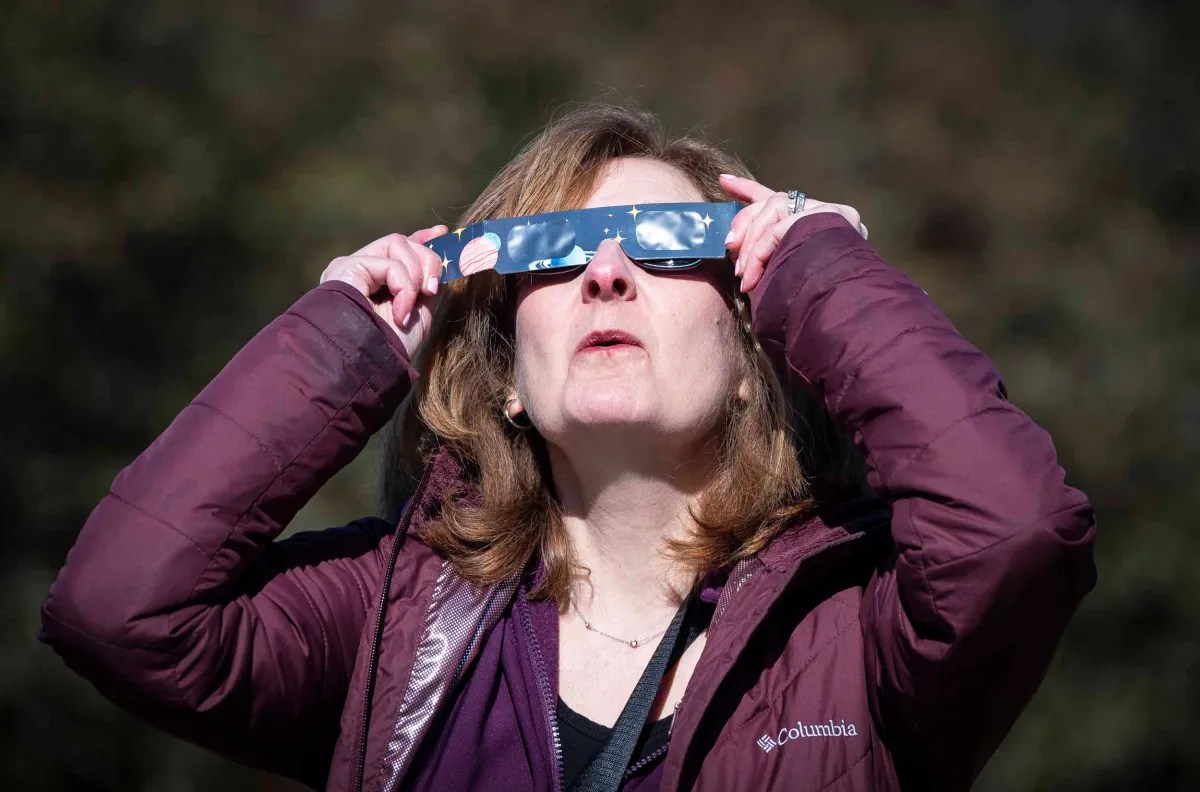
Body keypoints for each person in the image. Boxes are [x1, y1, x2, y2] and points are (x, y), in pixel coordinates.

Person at [38, 104, 1097, 792]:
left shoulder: (861, 625)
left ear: (748, 351)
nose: (603, 273)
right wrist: (337, 348)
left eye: (664, 248)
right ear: (503, 369)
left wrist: (830, 280)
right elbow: (119, 612)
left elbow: (1015, 531)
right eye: (552, 255)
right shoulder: (391, 618)